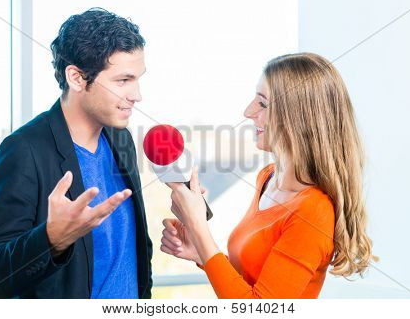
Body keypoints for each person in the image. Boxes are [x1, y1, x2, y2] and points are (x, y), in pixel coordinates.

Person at [161, 52, 377, 298]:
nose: (247, 111)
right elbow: (250, 282)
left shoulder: (314, 212)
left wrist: (198, 226)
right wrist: (201, 252)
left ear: (299, 118)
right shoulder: (268, 178)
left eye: (262, 103)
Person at [0, 8, 152, 299]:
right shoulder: (24, 150)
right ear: (78, 78)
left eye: (137, 79)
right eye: (123, 80)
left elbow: (133, 251)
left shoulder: (121, 139)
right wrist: (51, 240)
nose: (137, 94)